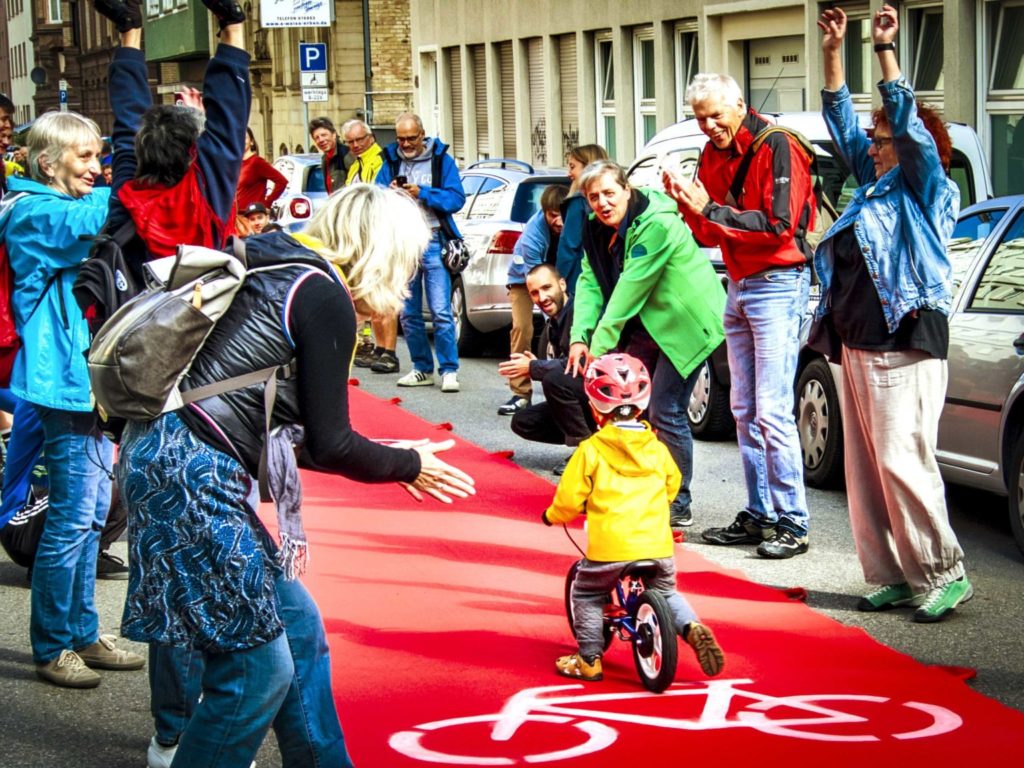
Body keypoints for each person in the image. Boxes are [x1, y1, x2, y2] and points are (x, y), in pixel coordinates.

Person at [117, 182, 475, 767]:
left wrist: (386, 454)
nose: (408, 276)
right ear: (383, 251)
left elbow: (287, 427)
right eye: (407, 259)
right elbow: (331, 445)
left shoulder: (281, 260)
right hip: (193, 474)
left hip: (167, 455)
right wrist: (407, 464)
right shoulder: (321, 292)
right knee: (256, 672)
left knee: (298, 629)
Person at [815, 5, 972, 622]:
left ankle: (940, 572)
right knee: (867, 468)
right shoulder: (875, 187)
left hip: (904, 339)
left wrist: (884, 51)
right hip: (857, 340)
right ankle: (893, 575)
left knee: (904, 459)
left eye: (882, 141)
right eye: (875, 141)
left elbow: (905, 128)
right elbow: (838, 121)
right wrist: (834, 48)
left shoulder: (929, 189)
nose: (873, 147)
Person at [0, 110, 144, 689]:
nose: (95, 166)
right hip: (61, 384)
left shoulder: (47, 204)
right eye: (83, 157)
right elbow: (101, 213)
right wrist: (139, 174)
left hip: (82, 382)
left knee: (86, 516)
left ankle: (82, 631)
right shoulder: (34, 212)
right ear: (47, 162)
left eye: (98, 154)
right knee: (69, 518)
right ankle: (53, 644)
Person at [663, 72, 817, 558]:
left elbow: (778, 226)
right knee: (744, 410)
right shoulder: (712, 154)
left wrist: (708, 207)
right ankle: (760, 512)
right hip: (741, 283)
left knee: (771, 410)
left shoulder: (777, 146)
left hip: (777, 283)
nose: (709, 126)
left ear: (739, 105)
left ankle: (793, 521)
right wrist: (688, 206)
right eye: (699, 118)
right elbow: (709, 234)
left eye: (716, 115)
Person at [543, 353, 725, 681]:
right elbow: (672, 484)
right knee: (667, 593)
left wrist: (552, 515)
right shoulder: (656, 447)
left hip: (610, 549)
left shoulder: (591, 450)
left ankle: (588, 659)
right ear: (641, 406)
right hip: (657, 544)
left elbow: (569, 499)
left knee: (586, 593)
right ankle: (691, 625)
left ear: (595, 408)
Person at [569, 160, 725, 531]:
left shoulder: (657, 222)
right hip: (648, 321)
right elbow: (589, 283)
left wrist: (600, 348)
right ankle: (629, 487)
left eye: (609, 193)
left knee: (664, 407)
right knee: (620, 402)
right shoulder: (596, 229)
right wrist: (579, 336)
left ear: (627, 189)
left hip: (685, 320)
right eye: (594, 197)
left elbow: (629, 290)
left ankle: (678, 501)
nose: (603, 203)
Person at [377, 112, 466, 393]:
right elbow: (375, 198)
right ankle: (421, 368)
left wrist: (422, 193)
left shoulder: (441, 160)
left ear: (422, 133)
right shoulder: (390, 161)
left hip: (433, 239)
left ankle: (449, 370)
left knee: (440, 310)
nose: (405, 144)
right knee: (408, 312)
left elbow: (456, 198)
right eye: (401, 138)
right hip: (403, 245)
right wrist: (390, 193)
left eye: (411, 138)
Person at [500, 264, 595, 470]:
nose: (541, 298)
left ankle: (587, 452)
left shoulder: (580, 312)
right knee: (523, 421)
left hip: (604, 395)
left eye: (546, 288)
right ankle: (597, 441)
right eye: (534, 293)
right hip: (583, 396)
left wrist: (535, 367)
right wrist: (540, 364)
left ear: (562, 284)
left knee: (555, 378)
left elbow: (578, 364)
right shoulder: (553, 323)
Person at [499, 184, 568, 415]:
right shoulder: (532, 235)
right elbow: (535, 281)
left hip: (561, 277)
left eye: (561, 214)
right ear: (545, 213)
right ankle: (520, 394)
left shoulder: (576, 223)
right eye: (552, 215)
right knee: (522, 327)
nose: (558, 221)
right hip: (525, 279)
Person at [343, 119, 400, 374]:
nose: (355, 145)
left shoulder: (380, 160)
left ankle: (389, 350)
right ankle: (379, 347)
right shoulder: (356, 164)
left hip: (379, 236)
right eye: (350, 142)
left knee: (384, 295)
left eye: (359, 140)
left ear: (371, 137)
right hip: (362, 238)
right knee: (371, 296)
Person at [556, 144, 608, 297]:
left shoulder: (578, 202)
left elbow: (568, 247)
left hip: (581, 283)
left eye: (572, 167)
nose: (568, 173)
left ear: (587, 167)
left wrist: (559, 282)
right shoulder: (614, 201)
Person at [235, 126, 288, 213]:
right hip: (238, 216)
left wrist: (267, 203)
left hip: (252, 216)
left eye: (244, 137)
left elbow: (282, 181)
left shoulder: (257, 162)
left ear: (251, 142)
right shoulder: (237, 164)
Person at [309, 116, 351, 194]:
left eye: (324, 135)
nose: (321, 140)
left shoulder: (347, 155)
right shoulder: (325, 159)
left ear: (334, 135)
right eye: (317, 138)